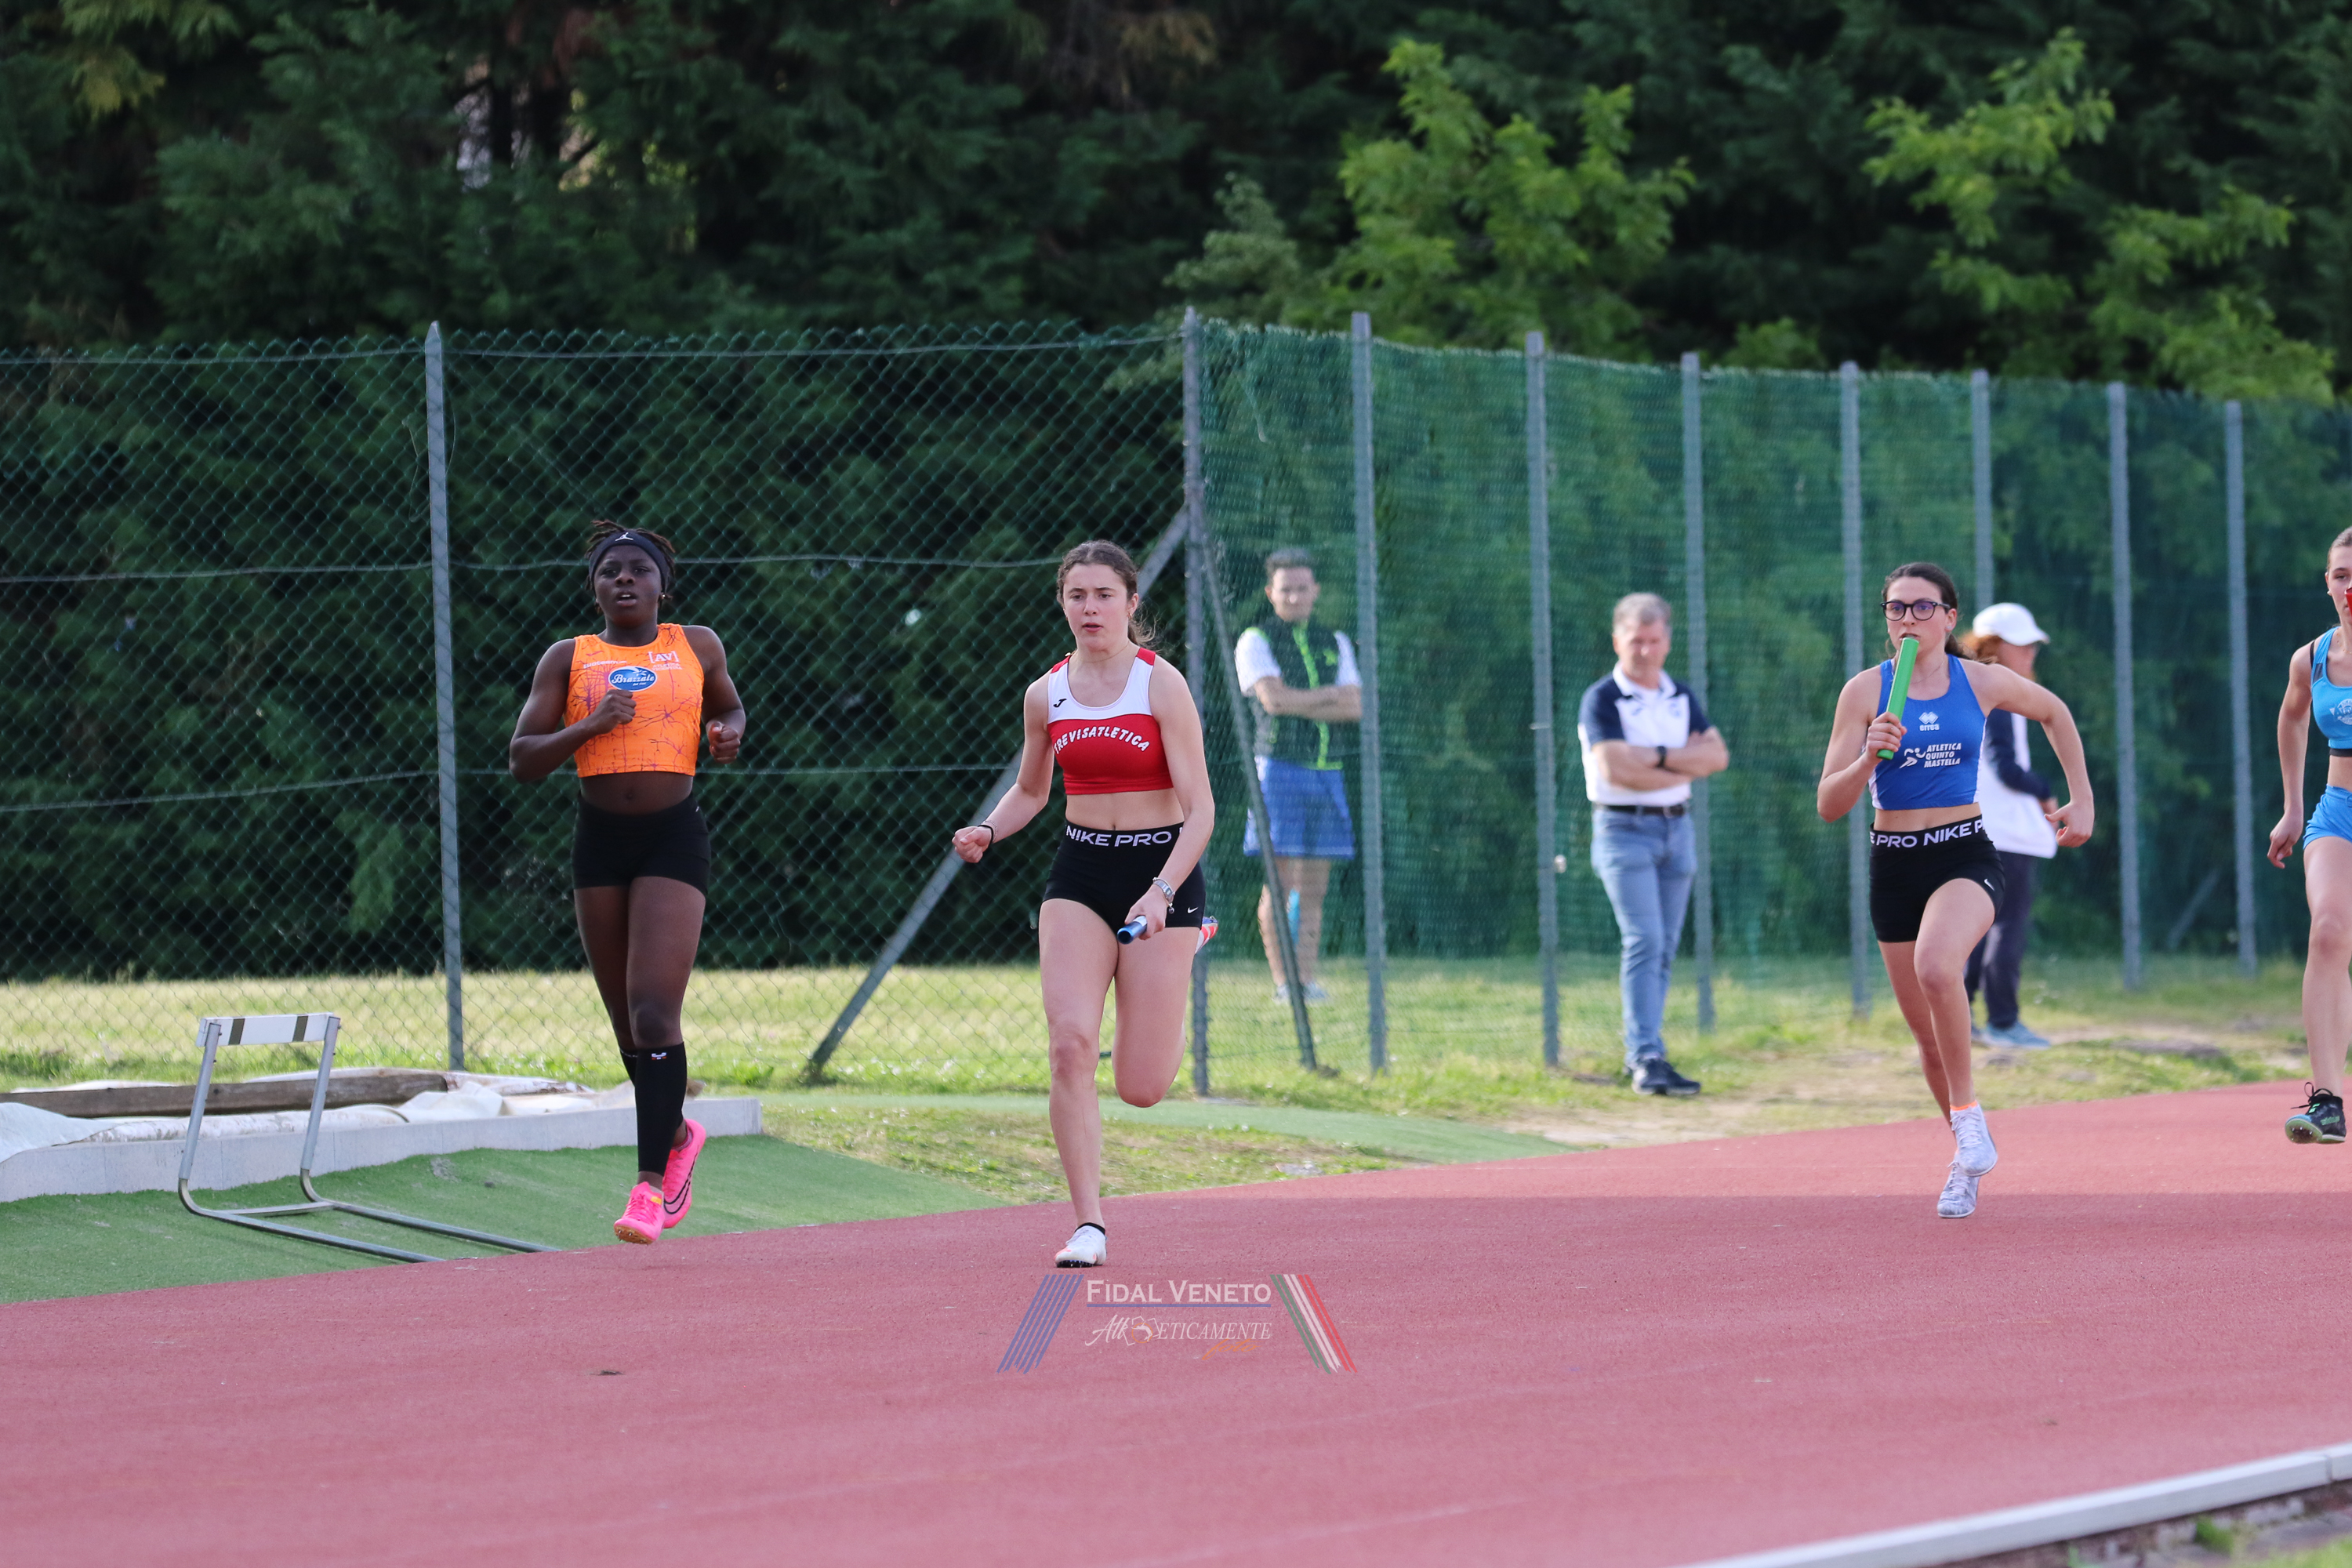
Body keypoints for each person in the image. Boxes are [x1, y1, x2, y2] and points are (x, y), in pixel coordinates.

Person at [951, 541, 1214, 1268]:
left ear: (1132, 603)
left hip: (1163, 871)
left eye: (1104, 595)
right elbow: (1031, 790)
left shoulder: (1161, 685)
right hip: (1081, 872)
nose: (1090, 608)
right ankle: (1089, 1225)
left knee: (1142, 1087)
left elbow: (1201, 811)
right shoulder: (1046, 694)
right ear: (1063, 603)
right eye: (1077, 595)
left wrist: (1163, 893)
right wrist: (988, 829)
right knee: (1069, 1045)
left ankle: (1190, 941)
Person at [1817, 563, 2092, 1219]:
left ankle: (1968, 1118)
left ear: (1949, 617)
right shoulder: (1866, 692)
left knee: (1938, 966)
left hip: (1963, 851)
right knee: (1928, 1039)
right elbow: (1829, 803)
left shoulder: (1981, 680)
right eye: (1896, 608)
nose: (1908, 619)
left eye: (1922, 607)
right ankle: (1966, 1161)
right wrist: (1868, 757)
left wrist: (2081, 798)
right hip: (1893, 862)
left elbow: (2054, 711)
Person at [507, 524, 746, 1245]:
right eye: (610, 571)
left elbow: (728, 707)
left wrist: (727, 733)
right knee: (627, 1028)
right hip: (600, 841)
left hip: (673, 836)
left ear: (662, 586)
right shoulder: (569, 657)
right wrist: (590, 725)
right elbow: (523, 758)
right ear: (594, 589)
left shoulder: (696, 645)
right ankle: (677, 1133)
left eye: (640, 570)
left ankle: (648, 1189)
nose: (624, 580)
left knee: (652, 1014)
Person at [1576, 593, 1729, 1096]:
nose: (1644, 650)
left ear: (1667, 641)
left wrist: (1654, 756)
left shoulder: (1679, 695)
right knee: (1643, 939)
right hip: (1623, 831)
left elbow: (1716, 757)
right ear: (1617, 640)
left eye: (1654, 640)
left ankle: (1652, 1052)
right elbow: (1616, 770)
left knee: (1663, 946)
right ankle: (1643, 1056)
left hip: (1676, 830)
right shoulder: (1603, 698)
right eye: (1635, 640)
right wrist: (1680, 761)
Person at [1233, 547, 1361, 1002]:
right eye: (1285, 589)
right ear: (1271, 593)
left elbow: (1355, 706)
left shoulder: (1335, 640)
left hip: (1328, 773)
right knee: (1280, 880)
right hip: (1278, 770)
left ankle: (1305, 980)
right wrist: (1328, 696)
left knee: (1314, 887)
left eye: (1302, 588)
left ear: (1315, 591)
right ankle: (1283, 983)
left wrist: (1302, 699)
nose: (1294, 597)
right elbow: (1274, 701)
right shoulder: (1256, 640)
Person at [2267, 526, 2352, 1145]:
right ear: (2327, 583)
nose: (2351, 588)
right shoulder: (2312, 659)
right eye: (2342, 575)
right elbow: (2293, 717)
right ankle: (2327, 1103)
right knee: (2327, 933)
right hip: (2338, 811)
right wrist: (2294, 808)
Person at [1963, 604, 2060, 1049]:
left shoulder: (1965, 688)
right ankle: (2003, 1022)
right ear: (1995, 647)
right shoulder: (1999, 693)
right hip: (2004, 833)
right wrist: (2046, 791)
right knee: (2007, 926)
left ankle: (1963, 1020)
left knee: (1976, 928)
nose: (2031, 653)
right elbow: (2005, 767)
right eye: (2023, 645)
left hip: (1974, 829)